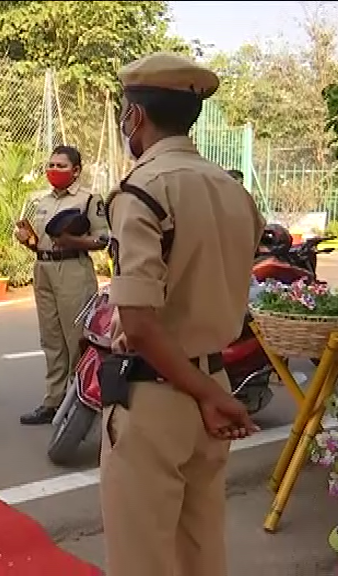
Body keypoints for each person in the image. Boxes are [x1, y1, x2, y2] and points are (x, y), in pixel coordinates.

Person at [99, 52, 266, 576]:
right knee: (201, 550)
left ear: (137, 118)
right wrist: (214, 393)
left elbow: (141, 323)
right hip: (212, 379)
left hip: (159, 395)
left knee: (142, 558)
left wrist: (207, 395)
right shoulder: (234, 191)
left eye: (126, 113)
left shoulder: (143, 190)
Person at [16, 145, 109, 426]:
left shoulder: (89, 199)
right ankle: (53, 400)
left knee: (75, 338)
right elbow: (43, 241)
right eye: (51, 165)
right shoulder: (42, 201)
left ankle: (78, 401)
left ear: (76, 170)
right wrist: (29, 240)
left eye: (61, 166)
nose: (53, 171)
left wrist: (74, 242)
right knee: (51, 338)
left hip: (73, 269)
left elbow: (104, 239)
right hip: (43, 269)